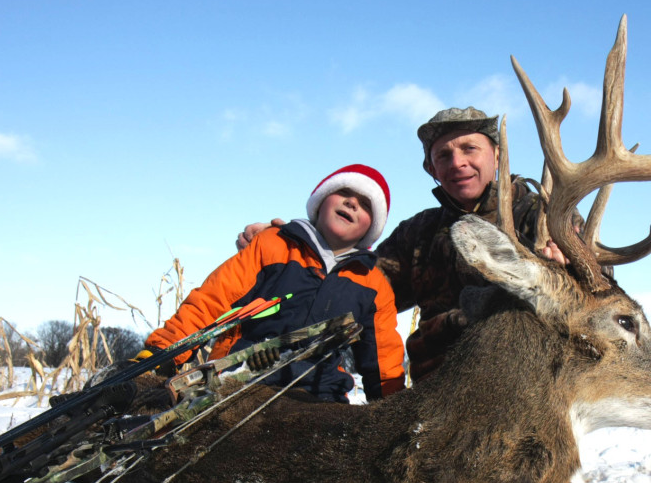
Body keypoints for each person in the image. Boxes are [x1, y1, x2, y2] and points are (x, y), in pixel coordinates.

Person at [236, 107, 578, 381]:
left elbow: (599, 286)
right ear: (431, 169)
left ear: (498, 155)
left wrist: (571, 266)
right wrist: (294, 246)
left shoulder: (546, 218)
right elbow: (354, 286)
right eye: (443, 155)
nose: (457, 162)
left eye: (469, 148)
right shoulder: (419, 232)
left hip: (526, 384)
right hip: (439, 391)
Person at [145, 164, 406, 402]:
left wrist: (392, 408)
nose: (352, 203)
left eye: (366, 205)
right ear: (320, 201)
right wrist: (162, 353)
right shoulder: (273, 244)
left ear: (373, 227)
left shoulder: (374, 285)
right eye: (344, 192)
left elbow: (383, 361)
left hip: (320, 396)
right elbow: (212, 300)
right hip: (239, 380)